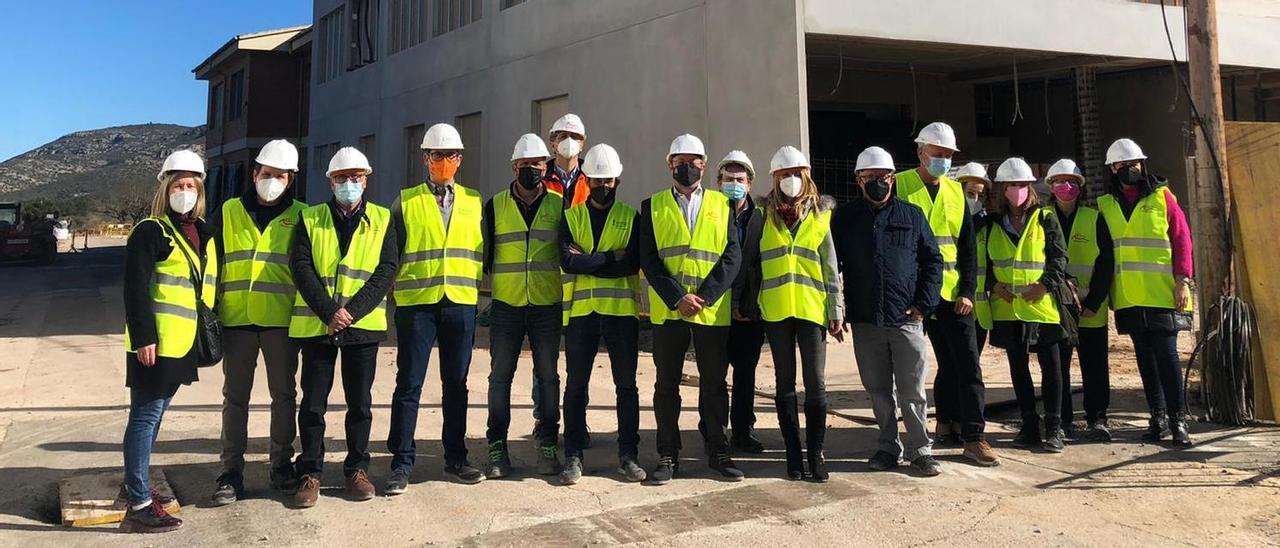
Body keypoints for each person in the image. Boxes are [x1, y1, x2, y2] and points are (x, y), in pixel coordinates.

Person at [289, 147, 398, 508]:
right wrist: (328, 311)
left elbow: (386, 270)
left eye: (356, 178)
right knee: (313, 405)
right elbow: (301, 267)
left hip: (361, 327)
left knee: (360, 404)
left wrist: (350, 312)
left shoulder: (383, 219)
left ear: (366, 180)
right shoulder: (310, 218)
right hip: (319, 326)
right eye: (341, 178)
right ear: (330, 181)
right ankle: (311, 472)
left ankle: (357, 469)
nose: (349, 184)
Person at [120, 150, 218, 533]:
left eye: (191, 185)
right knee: (144, 418)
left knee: (154, 416)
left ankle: (137, 485)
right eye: (178, 185)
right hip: (155, 345)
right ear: (165, 188)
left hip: (180, 345)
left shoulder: (197, 230)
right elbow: (135, 289)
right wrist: (145, 337)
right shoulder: (151, 230)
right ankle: (139, 504)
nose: (185, 191)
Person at [387, 123, 487, 493]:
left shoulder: (475, 202)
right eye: (436, 155)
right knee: (409, 384)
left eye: (449, 156)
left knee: (456, 385)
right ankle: (401, 462)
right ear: (425, 158)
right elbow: (391, 255)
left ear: (459, 160)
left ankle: (456, 457)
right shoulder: (405, 201)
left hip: (460, 303)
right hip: (417, 306)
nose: (443, 162)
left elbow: (484, 252)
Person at [638, 133, 742, 484]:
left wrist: (705, 297)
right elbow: (649, 260)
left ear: (704, 164)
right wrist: (677, 297)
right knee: (666, 385)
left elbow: (732, 256)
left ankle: (718, 450)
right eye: (680, 161)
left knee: (714, 384)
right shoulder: (651, 206)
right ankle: (668, 454)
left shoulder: (721, 204)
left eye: (694, 161)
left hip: (710, 311)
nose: (687, 167)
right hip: (670, 311)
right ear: (670, 164)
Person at [834, 146, 944, 477]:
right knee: (878, 390)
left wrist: (924, 305)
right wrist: (837, 310)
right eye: (870, 178)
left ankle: (920, 448)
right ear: (858, 180)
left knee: (912, 391)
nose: (877, 183)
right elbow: (831, 267)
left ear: (892, 179)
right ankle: (887, 445)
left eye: (882, 178)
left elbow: (932, 261)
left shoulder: (911, 216)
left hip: (906, 319)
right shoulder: (844, 219)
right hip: (866, 319)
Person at [211, 139, 307, 506]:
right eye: (267, 174)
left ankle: (281, 465)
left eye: (280, 176)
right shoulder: (229, 211)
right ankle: (230, 472)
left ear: (290, 179)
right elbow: (211, 264)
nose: (272, 180)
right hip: (236, 320)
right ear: (255, 174)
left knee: (284, 396)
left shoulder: (302, 215)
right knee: (235, 398)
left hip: (281, 322)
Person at [896, 122, 997, 466]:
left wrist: (968, 289)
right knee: (913, 368)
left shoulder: (955, 192)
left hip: (953, 293)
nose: (941, 160)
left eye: (947, 156)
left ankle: (973, 436)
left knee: (966, 365)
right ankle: (932, 429)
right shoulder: (901, 186)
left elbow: (968, 248)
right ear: (920, 152)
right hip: (913, 294)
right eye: (937, 154)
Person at [1097, 138, 1194, 447]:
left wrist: (1183, 280)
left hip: (1164, 294)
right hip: (1128, 297)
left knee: (1167, 357)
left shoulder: (1163, 198)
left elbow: (1182, 241)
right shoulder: (1106, 205)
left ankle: (1178, 420)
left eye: (1134, 164)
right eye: (1122, 165)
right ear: (1113, 169)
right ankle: (1158, 417)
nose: (1129, 170)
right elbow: (1105, 254)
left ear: (1142, 165)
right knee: (1145, 360)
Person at [558, 143, 646, 484]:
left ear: (617, 181)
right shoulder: (571, 216)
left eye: (608, 181)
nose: (603, 187)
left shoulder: (630, 217)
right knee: (576, 386)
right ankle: (573, 456)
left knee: (626, 387)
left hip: (621, 314)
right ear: (586, 180)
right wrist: (612, 257)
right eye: (596, 180)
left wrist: (590, 261)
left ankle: (628, 455)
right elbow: (567, 261)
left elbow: (632, 263)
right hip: (581, 314)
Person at [755, 146, 843, 481]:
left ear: (805, 176)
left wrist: (836, 310)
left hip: (811, 310)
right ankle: (793, 455)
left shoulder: (821, 216)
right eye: (783, 175)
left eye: (795, 174)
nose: (790, 180)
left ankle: (815, 453)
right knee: (784, 385)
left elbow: (830, 267)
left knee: (816, 385)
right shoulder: (763, 215)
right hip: (776, 311)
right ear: (775, 179)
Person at [482, 134, 564, 479]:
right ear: (514, 167)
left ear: (546, 167)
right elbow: (485, 256)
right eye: (526, 165)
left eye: (538, 164)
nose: (532, 169)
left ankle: (547, 440)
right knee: (500, 377)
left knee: (548, 377)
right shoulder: (495, 205)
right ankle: (496, 444)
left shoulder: (560, 205)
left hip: (546, 304)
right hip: (507, 304)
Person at [980, 158, 1069, 453]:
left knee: (1052, 368)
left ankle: (1054, 428)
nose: (1019, 190)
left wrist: (1045, 285)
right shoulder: (992, 224)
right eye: (1013, 185)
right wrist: (993, 284)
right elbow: (984, 263)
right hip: (1008, 309)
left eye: (1024, 185)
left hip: (1042, 306)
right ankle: (1030, 425)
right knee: (1019, 369)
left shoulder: (1045, 217)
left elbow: (1059, 257)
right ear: (1003, 189)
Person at [1045, 159, 1115, 442]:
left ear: (1080, 188)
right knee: (1058, 366)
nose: (1067, 187)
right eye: (1060, 181)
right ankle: (1062, 420)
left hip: (1089, 308)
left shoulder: (1094, 218)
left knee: (1095, 364)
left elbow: (1106, 264)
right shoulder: (1042, 217)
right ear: (1050, 186)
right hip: (1057, 308)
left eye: (1072, 182)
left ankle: (1097, 418)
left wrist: (1094, 302)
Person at [534, 113, 590, 441]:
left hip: (581, 283)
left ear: (583, 142)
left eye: (574, 136)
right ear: (552, 141)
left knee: (579, 363)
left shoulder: (593, 177)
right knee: (545, 362)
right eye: (561, 135)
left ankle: (577, 425)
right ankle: (545, 421)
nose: (567, 141)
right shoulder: (539, 179)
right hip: (546, 281)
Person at [717, 150, 767, 454]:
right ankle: (714, 427)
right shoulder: (709, 212)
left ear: (749, 184)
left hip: (749, 310)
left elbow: (760, 262)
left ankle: (743, 430)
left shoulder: (762, 218)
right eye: (728, 179)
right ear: (718, 181)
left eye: (739, 179)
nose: (733, 184)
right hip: (715, 305)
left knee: (745, 372)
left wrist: (747, 302)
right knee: (715, 373)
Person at [955, 162, 991, 353]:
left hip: (980, 310)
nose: (975, 199)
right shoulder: (948, 222)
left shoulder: (988, 225)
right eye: (970, 193)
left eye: (980, 195)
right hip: (955, 303)